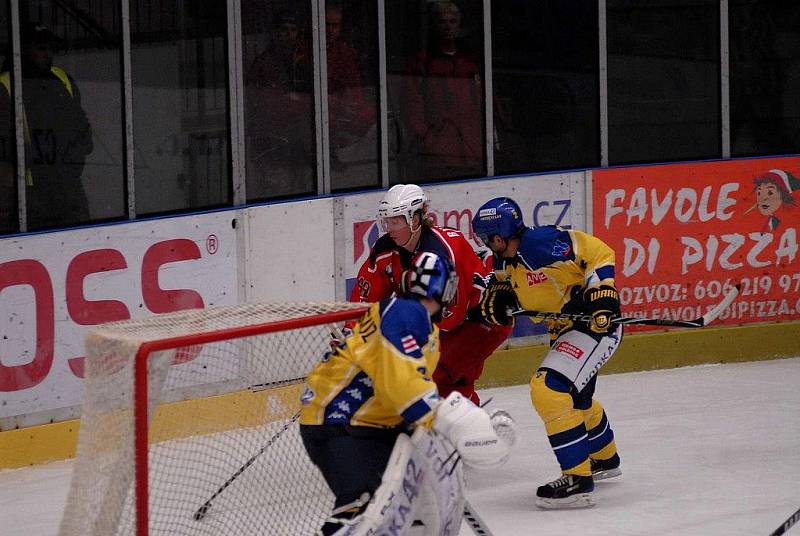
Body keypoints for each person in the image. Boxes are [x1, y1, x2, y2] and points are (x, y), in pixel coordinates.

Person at [300, 251, 511, 534]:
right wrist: (446, 418)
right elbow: (400, 385)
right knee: (362, 507)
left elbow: (402, 384)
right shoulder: (405, 313)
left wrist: (430, 423)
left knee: (404, 504)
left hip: (370, 424)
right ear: (448, 290)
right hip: (341, 421)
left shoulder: (417, 321)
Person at [471, 197, 623, 509]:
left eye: (487, 238)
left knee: (549, 388)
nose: (486, 244)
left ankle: (578, 480)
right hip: (566, 328)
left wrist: (602, 291)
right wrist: (499, 302)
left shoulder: (539, 244)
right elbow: (505, 288)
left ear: (498, 237)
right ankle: (605, 459)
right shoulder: (503, 262)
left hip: (594, 324)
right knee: (576, 401)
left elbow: (597, 252)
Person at [348, 184, 512, 405]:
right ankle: (471, 428)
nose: (389, 228)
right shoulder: (384, 250)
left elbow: (449, 318)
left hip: (482, 321)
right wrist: (351, 335)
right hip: (446, 324)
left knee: (421, 376)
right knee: (445, 391)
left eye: (395, 221)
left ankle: (465, 424)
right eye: (387, 221)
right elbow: (365, 296)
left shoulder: (441, 255)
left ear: (415, 220)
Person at [0, 23, 93, 230]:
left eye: (50, 47)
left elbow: (84, 131)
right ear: (22, 49)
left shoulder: (63, 79)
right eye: (39, 47)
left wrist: (72, 164)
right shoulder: (5, 86)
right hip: (28, 194)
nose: (47, 53)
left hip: (68, 190)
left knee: (82, 241)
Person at [403, 1, 483, 180]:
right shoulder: (422, 63)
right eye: (442, 21)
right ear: (434, 25)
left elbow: (483, 105)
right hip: (437, 161)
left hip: (473, 156)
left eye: (453, 21)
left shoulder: (470, 62)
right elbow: (411, 110)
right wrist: (432, 143)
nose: (448, 27)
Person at [245, 12, 314, 197]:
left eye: (293, 30)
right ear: (275, 33)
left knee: (304, 189)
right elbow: (260, 102)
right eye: (284, 30)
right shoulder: (263, 63)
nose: (289, 34)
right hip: (272, 143)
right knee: (277, 190)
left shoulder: (307, 61)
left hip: (299, 142)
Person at [325, 2, 376, 173]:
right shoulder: (304, 52)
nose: (330, 30)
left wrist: (349, 102)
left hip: (340, 107)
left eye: (335, 26)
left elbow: (354, 87)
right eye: (326, 25)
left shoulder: (345, 52)